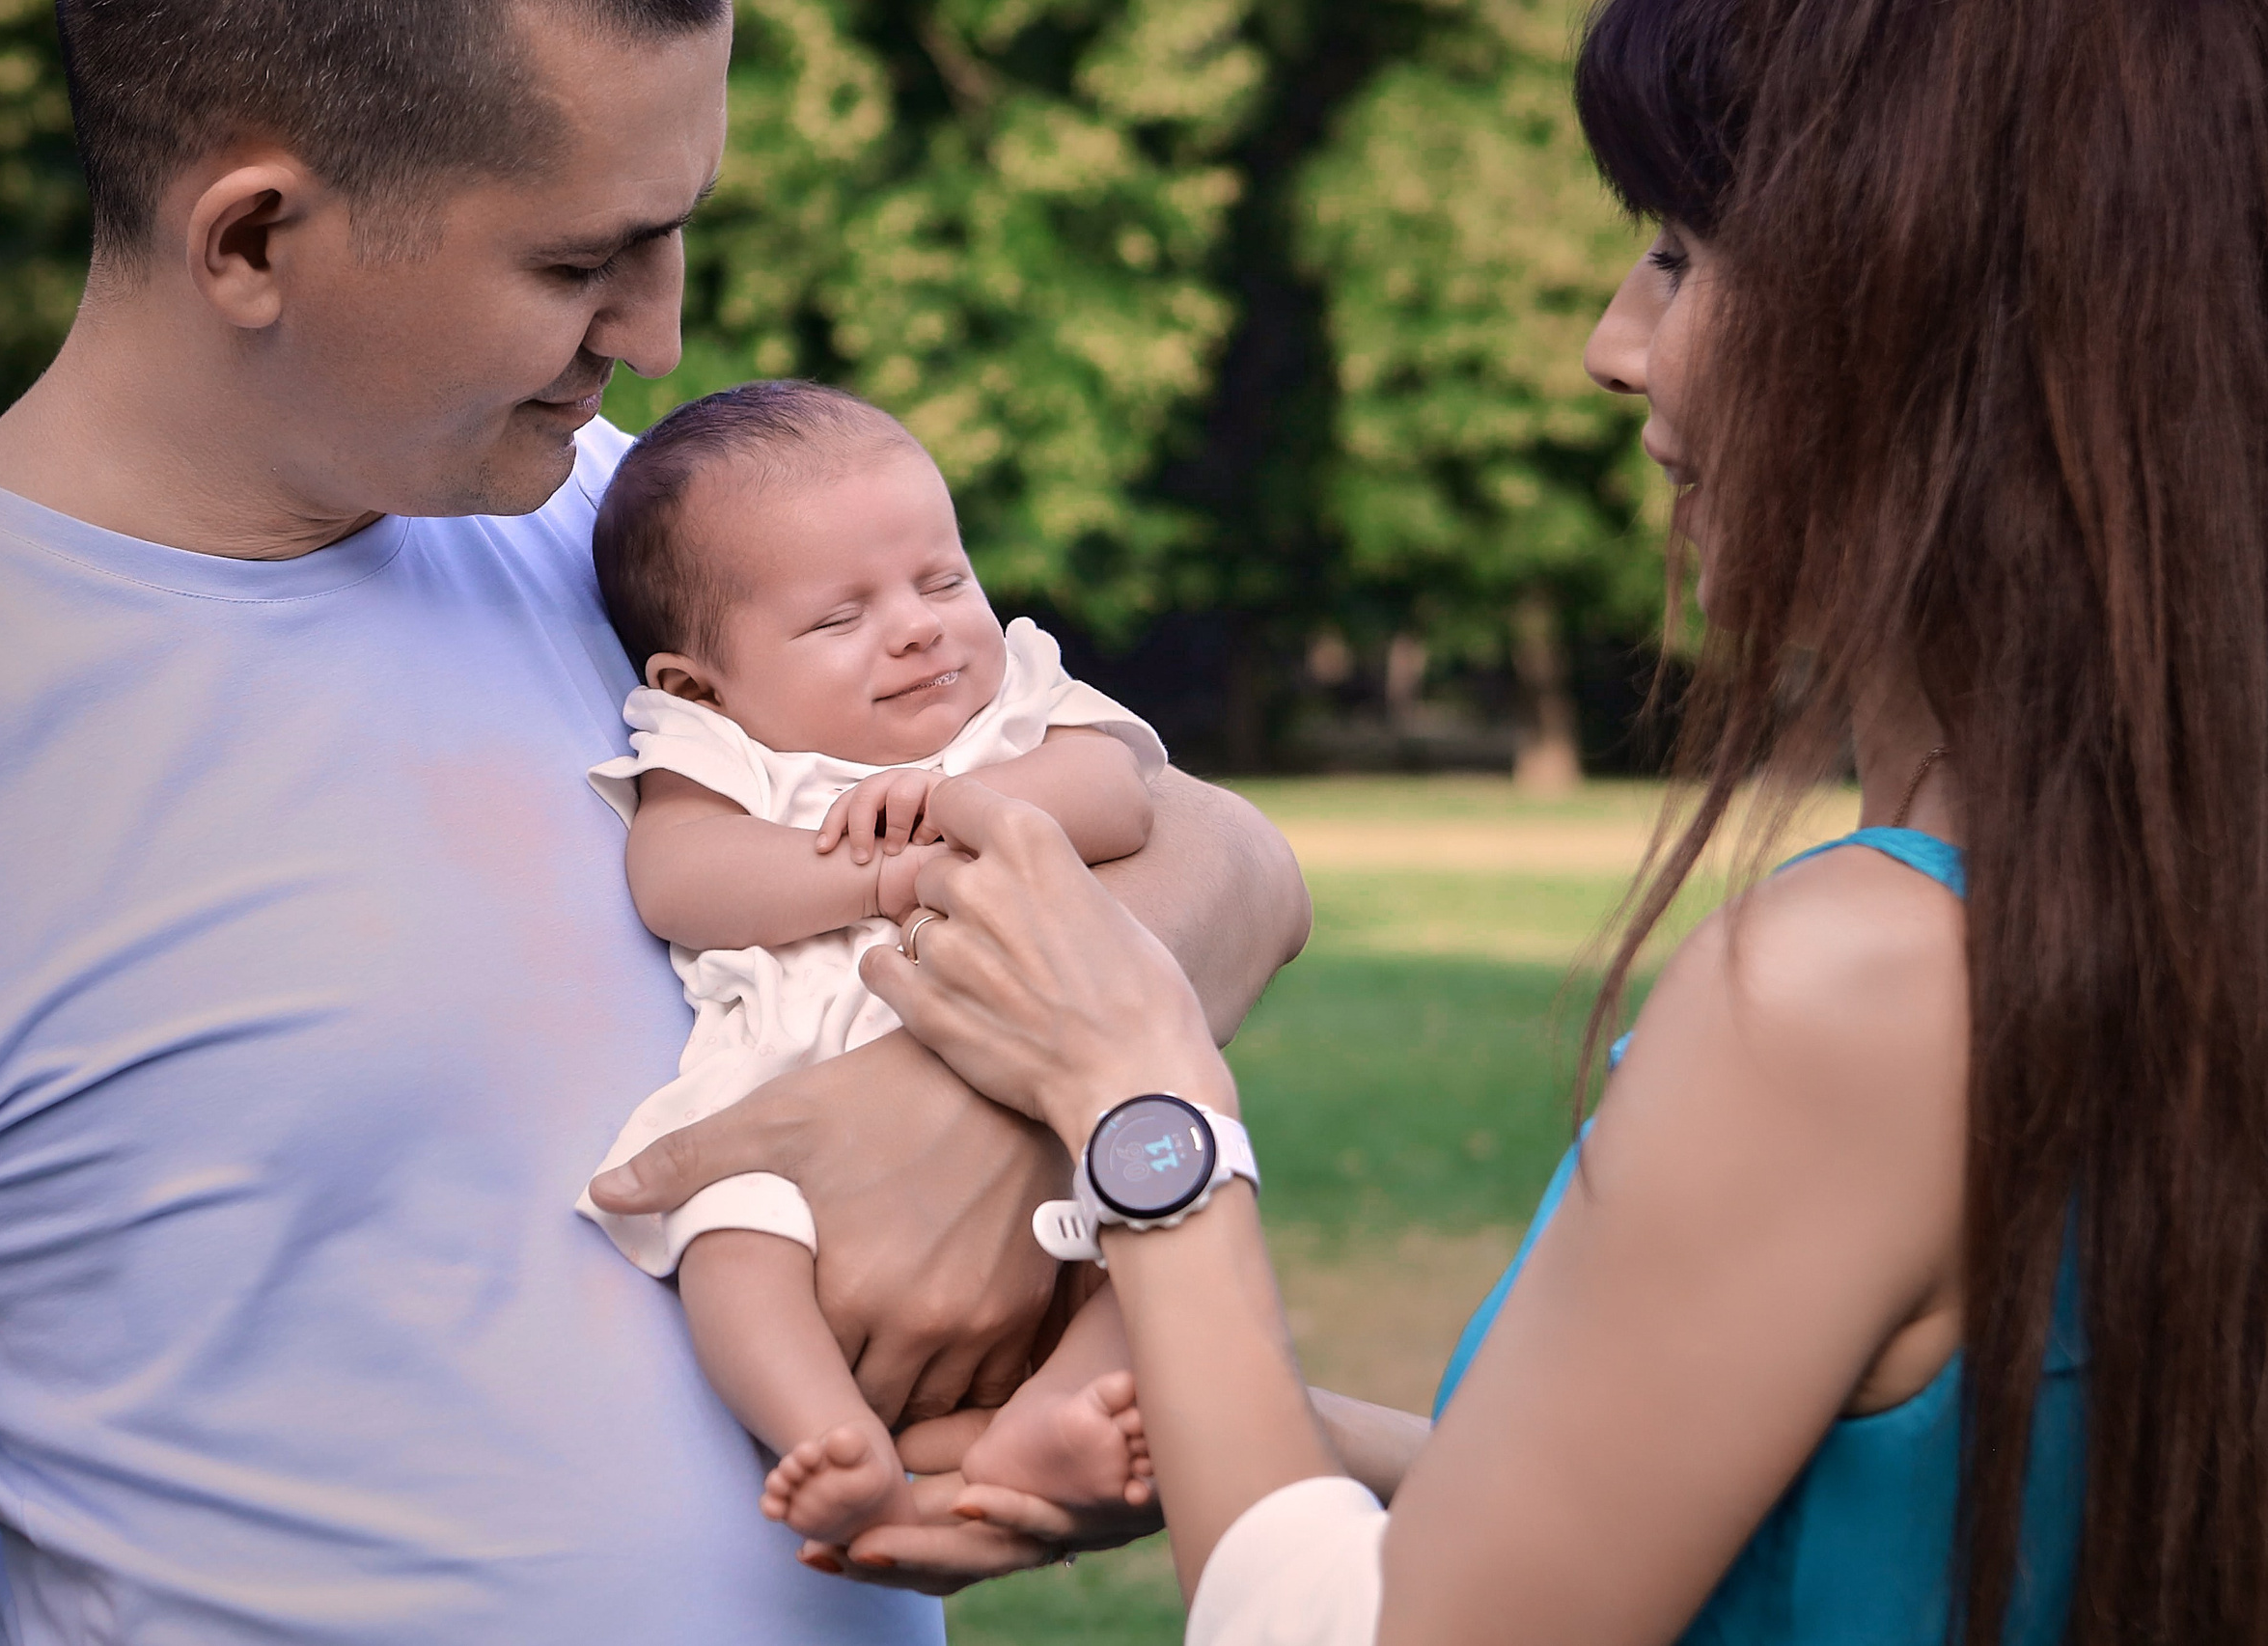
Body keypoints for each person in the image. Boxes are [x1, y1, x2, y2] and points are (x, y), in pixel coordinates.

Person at [601, 0, 2268, 1636]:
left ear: (1932, 327)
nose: (1613, 342)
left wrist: (1139, 1107)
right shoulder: (2150, 911)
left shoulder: (1857, 986)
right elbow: (1707, 1537)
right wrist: (1236, 1424)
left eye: (1679, 255)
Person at [0, 2, 1311, 1641]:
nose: (657, 335)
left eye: (674, 231)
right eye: (583, 260)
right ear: (251, 240)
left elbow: (1233, 860)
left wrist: (967, 1110)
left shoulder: (616, 530)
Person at [574, 379, 1161, 1543]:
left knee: (1159, 1227)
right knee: (730, 1233)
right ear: (698, 682)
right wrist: (881, 876)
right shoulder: (717, 749)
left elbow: (1117, 794)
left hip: (1040, 1079)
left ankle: (1059, 1412)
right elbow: (677, 875)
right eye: (840, 618)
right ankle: (829, 1437)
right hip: (790, 1091)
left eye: (942, 579)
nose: (917, 626)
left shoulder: (1012, 709)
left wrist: (954, 802)